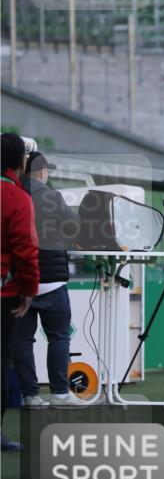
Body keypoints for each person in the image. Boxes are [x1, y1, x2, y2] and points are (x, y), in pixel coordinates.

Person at [14, 152, 83, 407]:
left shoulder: (12, 194)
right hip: (52, 280)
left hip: (20, 281)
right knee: (58, 337)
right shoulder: (52, 196)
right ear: (43, 172)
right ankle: (60, 393)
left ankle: (30, 395)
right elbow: (75, 226)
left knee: (23, 340)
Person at [1, 133, 39, 452]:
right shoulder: (16, 197)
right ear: (20, 161)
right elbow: (26, 251)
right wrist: (28, 291)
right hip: (5, 296)